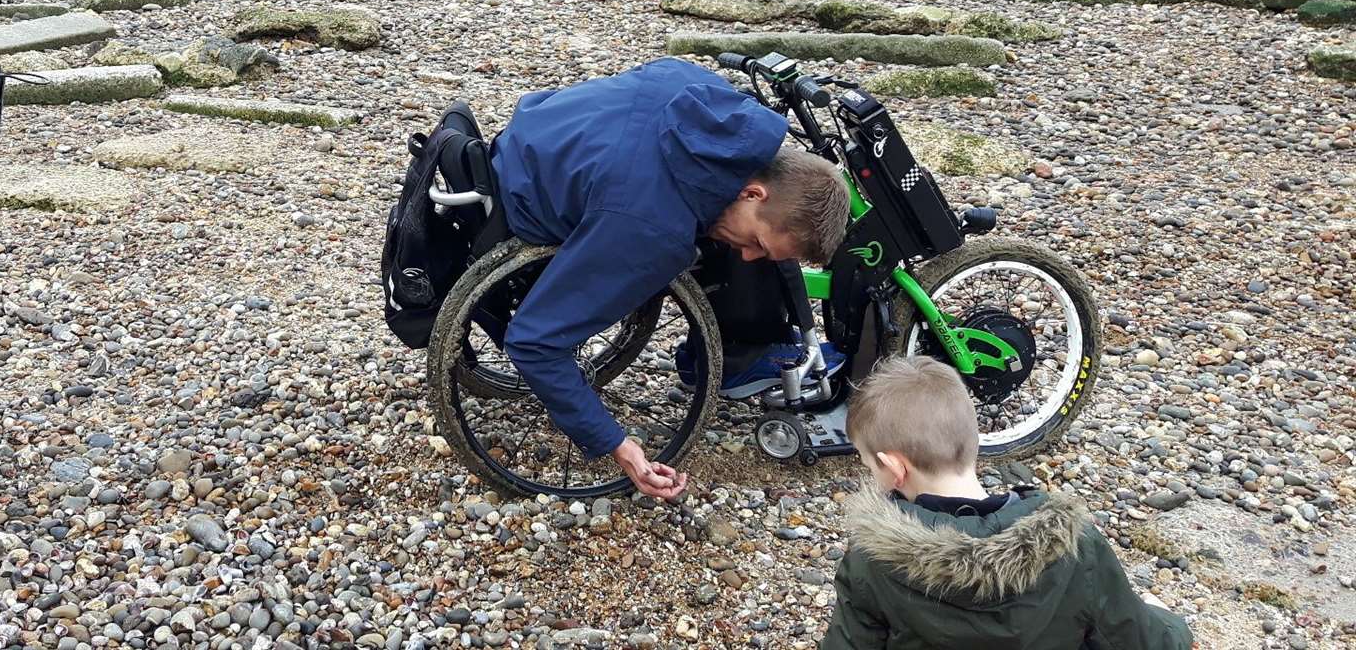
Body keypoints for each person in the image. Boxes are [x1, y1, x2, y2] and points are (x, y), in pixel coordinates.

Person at [488, 57, 851, 498]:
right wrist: (617, 445)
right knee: (704, 245)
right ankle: (738, 355)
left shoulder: (703, 94)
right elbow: (533, 343)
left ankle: (746, 352)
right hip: (522, 196)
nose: (751, 256)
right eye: (758, 241)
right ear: (754, 193)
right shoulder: (653, 230)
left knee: (725, 237)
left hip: (534, 135)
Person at [823, 356, 1193, 649]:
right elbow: (1136, 639)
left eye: (869, 463)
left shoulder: (872, 558)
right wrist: (1168, 622)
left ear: (893, 467)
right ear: (972, 436)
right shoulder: (1073, 542)